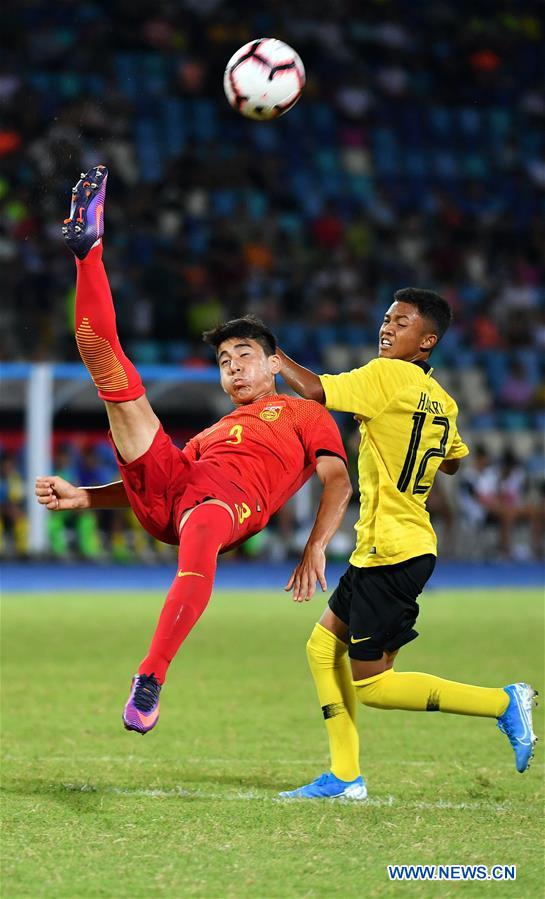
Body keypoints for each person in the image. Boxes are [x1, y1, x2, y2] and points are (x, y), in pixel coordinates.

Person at [35, 165, 352, 736]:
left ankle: (151, 676)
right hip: (181, 484)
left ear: (275, 363)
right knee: (107, 364)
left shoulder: (306, 413)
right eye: (224, 361)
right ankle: (87, 251)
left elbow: (338, 481)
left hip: (225, 506)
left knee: (202, 525)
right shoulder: (215, 430)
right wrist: (87, 498)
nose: (233, 367)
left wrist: (316, 548)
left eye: (245, 356)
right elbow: (158, 491)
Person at [276, 288, 537, 800]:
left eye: (402, 322)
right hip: (392, 545)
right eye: (387, 318)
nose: (387, 327)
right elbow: (455, 459)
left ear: (427, 341)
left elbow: (314, 389)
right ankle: (345, 777)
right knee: (322, 646)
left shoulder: (383, 375)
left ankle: (504, 703)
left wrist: (272, 355)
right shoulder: (441, 399)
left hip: (392, 550)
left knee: (372, 685)